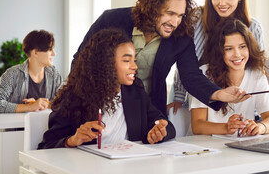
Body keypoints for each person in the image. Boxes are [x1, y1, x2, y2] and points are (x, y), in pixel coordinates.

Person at [71, 0, 249, 117]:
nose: (175, 22)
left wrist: (219, 94)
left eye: (180, 15)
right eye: (170, 14)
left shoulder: (181, 37)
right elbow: (81, 59)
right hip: (102, 105)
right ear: (152, 8)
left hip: (146, 111)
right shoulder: (112, 20)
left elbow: (191, 76)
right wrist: (75, 99)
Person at [38, 29, 176, 149]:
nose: (134, 66)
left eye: (134, 60)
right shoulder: (75, 96)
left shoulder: (135, 90)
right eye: (127, 61)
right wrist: (72, 140)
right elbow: (46, 146)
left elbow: (165, 125)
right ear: (106, 64)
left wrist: (159, 133)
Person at [168, 0, 264, 114]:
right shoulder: (196, 19)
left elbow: (256, 69)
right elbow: (184, 63)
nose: (222, 3)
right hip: (196, 96)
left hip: (238, 100)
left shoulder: (254, 27)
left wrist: (257, 107)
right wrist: (179, 97)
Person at [190, 18, 269, 136]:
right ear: (219, 51)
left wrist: (260, 127)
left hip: (241, 146)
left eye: (242, 46)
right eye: (228, 49)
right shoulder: (204, 74)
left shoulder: (257, 75)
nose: (237, 54)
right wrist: (226, 128)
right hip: (207, 145)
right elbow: (197, 125)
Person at [0, 30, 62, 113]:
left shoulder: (54, 74)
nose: (54, 53)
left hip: (45, 126)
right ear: (35, 52)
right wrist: (28, 107)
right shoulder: (12, 74)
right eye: (49, 49)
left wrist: (45, 104)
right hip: (17, 126)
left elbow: (65, 103)